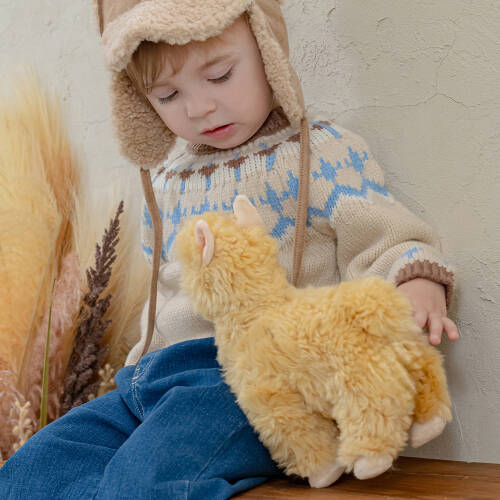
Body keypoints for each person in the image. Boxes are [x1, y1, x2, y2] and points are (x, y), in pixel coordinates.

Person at [0, 1, 459, 498]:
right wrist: (136, 369)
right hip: (152, 377)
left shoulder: (319, 154)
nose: (198, 107)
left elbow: (384, 236)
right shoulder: (166, 181)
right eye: (168, 95)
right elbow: (163, 295)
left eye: (220, 76)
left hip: (251, 383)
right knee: (32, 469)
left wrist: (417, 279)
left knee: (143, 481)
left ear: (267, 51)